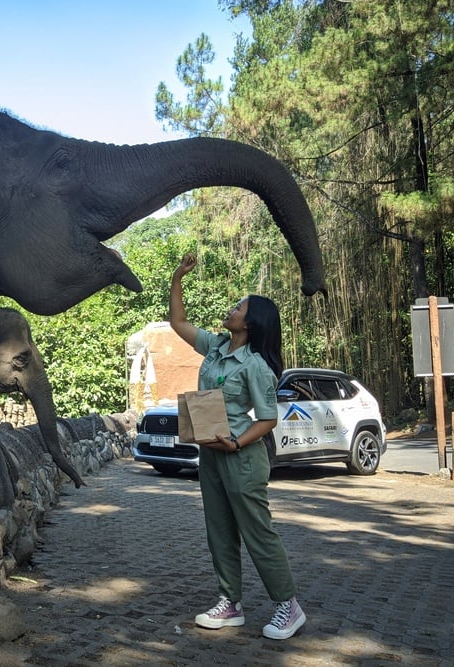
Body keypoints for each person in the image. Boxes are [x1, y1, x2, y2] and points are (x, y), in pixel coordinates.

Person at [169, 252, 306, 641]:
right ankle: (230, 603)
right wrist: (178, 276)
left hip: (242, 457)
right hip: (211, 452)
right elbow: (177, 321)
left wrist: (235, 442)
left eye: (239, 307)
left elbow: (267, 418)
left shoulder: (257, 365)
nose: (231, 309)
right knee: (220, 530)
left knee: (257, 532)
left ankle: (288, 605)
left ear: (251, 322)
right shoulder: (215, 347)